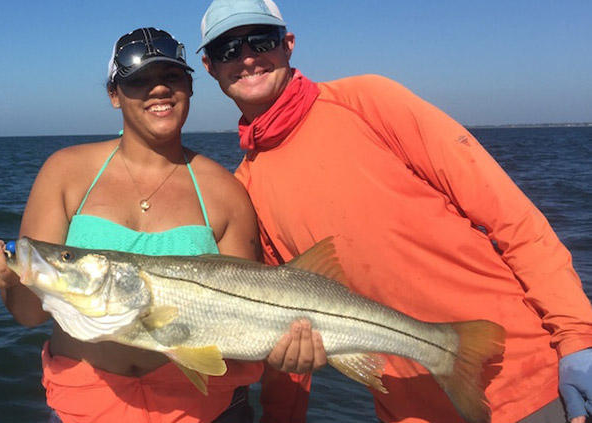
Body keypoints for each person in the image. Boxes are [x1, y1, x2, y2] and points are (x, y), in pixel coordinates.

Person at [197, 1, 592, 422]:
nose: (248, 58)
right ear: (210, 67)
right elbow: (286, 326)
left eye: (261, 40)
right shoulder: (245, 189)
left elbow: (513, 219)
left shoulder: (369, 100)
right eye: (228, 50)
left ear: (288, 44)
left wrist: (578, 340)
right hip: (407, 410)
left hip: (530, 383)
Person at [0, 27, 266, 423]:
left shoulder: (226, 191)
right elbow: (31, 314)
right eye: (139, 81)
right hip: (84, 409)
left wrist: (294, 345)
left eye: (172, 77)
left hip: (206, 410)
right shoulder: (65, 172)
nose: (158, 90)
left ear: (190, 88)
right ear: (114, 95)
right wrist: (4, 279)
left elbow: (251, 322)